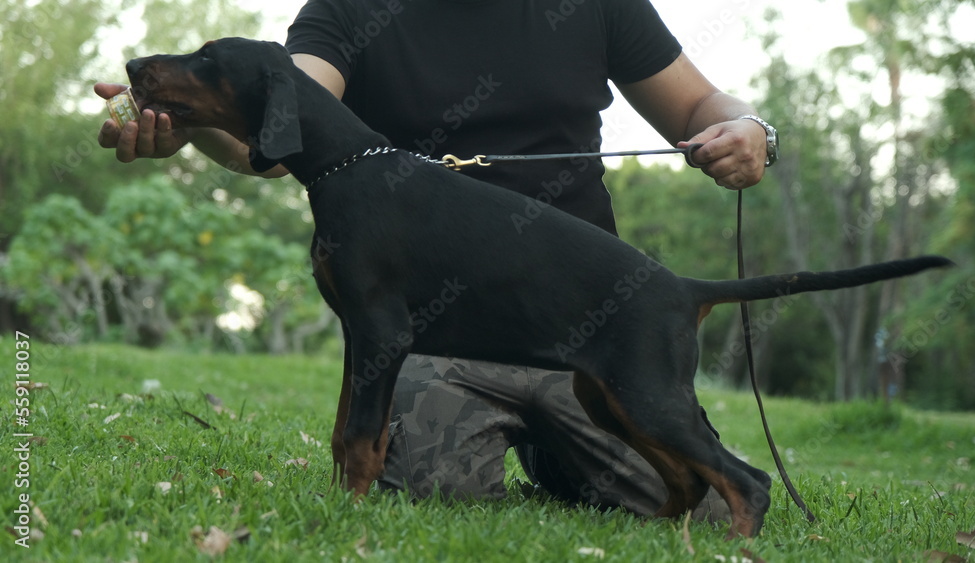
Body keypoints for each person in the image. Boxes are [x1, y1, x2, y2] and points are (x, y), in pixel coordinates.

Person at [96, 0, 778, 519]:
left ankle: (558, 450)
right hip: (436, 337)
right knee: (426, 486)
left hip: (586, 324)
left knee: (700, 495)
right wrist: (191, 125)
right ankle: (537, 450)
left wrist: (750, 128)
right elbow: (277, 115)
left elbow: (699, 106)